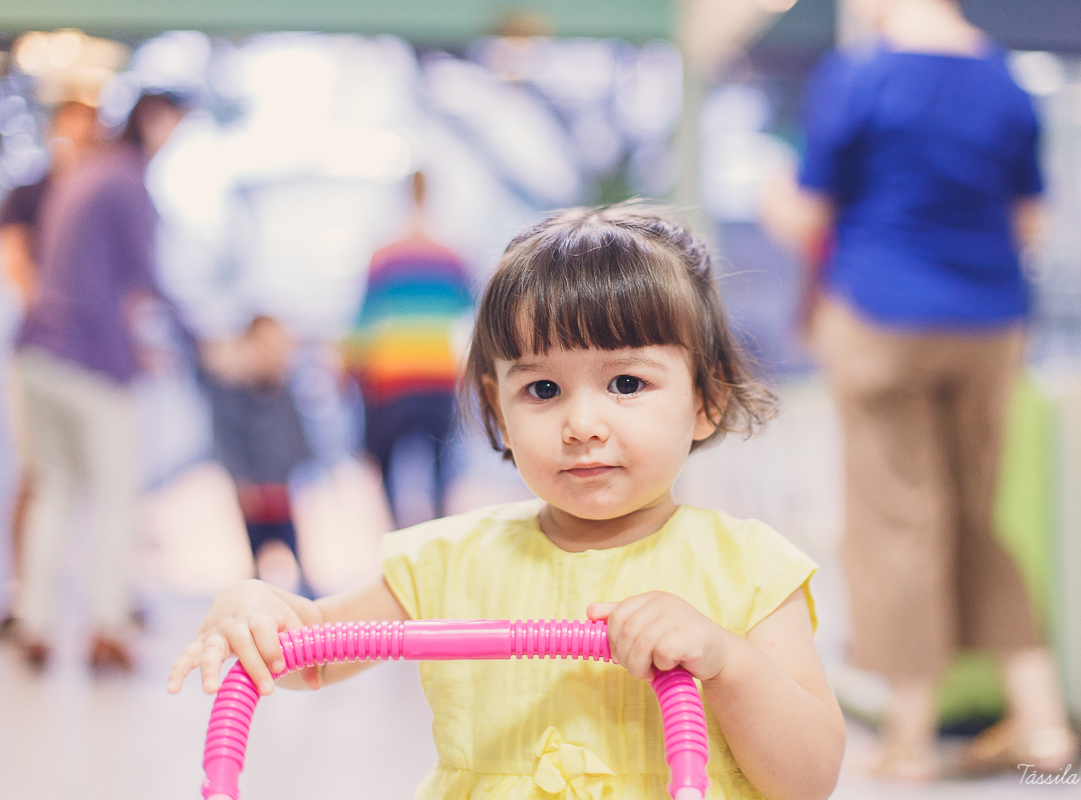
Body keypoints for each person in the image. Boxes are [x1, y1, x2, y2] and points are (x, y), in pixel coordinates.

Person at [169, 204, 847, 800]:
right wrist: (258, 607)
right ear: (498, 408)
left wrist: (726, 662)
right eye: (543, 391)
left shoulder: (748, 569)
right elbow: (309, 652)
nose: (582, 425)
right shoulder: (451, 561)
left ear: (707, 400)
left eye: (628, 383)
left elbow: (810, 776)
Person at [761, 0, 1075, 781]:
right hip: (991, 325)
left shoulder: (862, 74)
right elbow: (1031, 222)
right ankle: (1043, 724)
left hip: (881, 317)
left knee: (897, 517)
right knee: (975, 512)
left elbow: (809, 215)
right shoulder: (1004, 79)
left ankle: (910, 737)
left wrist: (771, 197)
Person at [11, 92, 187, 671]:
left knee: (54, 487)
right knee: (115, 493)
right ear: (156, 120)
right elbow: (146, 278)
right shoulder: (127, 181)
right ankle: (108, 625)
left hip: (37, 354)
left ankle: (34, 620)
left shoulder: (83, 175)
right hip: (91, 360)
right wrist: (196, 338)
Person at [0, 100, 100, 636]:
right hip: (44, 354)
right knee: (39, 477)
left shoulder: (103, 193)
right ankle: (26, 600)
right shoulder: (30, 194)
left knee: (97, 484)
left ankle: (98, 602)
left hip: (94, 362)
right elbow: (15, 261)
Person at [346, 171, 473, 526]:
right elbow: (469, 317)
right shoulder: (453, 257)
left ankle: (396, 531)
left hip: (391, 377)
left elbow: (365, 321)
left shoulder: (384, 255)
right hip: (438, 374)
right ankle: (439, 528)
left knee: (384, 463)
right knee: (440, 464)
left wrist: (347, 367)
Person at [200, 315, 314, 598]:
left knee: (292, 544)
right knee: (257, 548)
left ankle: (305, 595)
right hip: (255, 490)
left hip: (282, 486)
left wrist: (305, 467)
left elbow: (296, 434)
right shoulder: (232, 392)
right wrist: (240, 480)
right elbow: (227, 440)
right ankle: (255, 597)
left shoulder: (282, 389)